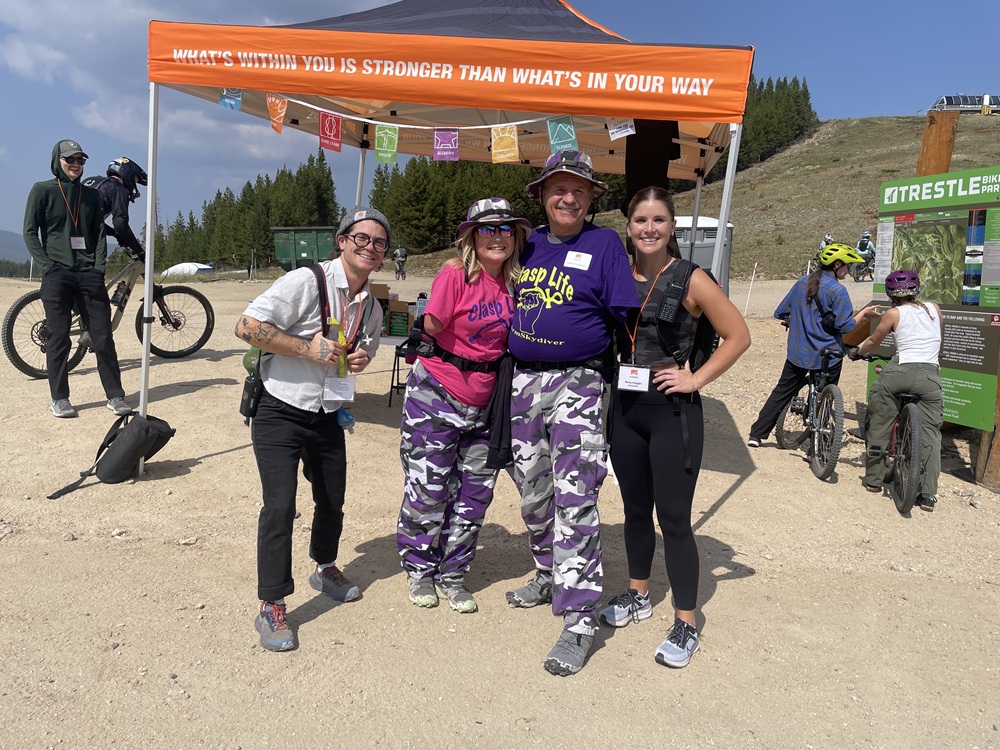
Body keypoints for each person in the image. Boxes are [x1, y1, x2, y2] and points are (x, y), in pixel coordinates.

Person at [601, 186, 751, 668]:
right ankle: (638, 593)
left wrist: (695, 378)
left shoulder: (691, 278)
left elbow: (738, 335)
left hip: (672, 411)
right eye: (640, 220)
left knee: (675, 520)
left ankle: (686, 622)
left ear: (672, 228)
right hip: (624, 409)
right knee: (634, 510)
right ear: (628, 226)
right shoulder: (616, 273)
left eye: (659, 221)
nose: (649, 229)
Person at [505, 150, 639, 676]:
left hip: (579, 381)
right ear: (541, 194)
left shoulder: (604, 243)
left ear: (591, 199)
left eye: (579, 190)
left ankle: (580, 617)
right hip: (522, 379)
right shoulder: (526, 242)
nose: (568, 198)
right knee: (534, 491)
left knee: (576, 494)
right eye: (559, 189)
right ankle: (547, 571)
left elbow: (627, 315)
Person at [235, 206, 388, 652]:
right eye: (361, 238)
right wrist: (306, 347)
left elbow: (363, 352)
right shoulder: (307, 282)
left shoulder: (371, 304)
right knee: (280, 507)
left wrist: (359, 360)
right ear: (341, 241)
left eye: (379, 243)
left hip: (326, 414)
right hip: (279, 409)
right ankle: (272, 604)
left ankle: (324, 568)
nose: (370, 248)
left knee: (332, 499)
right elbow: (245, 326)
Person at [397, 198, 527, 613]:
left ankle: (453, 575)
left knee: (474, 494)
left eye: (504, 229)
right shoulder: (456, 274)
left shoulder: (517, 281)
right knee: (429, 488)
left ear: (515, 236)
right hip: (437, 392)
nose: (496, 236)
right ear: (471, 236)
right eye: (486, 229)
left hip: (487, 402)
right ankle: (420, 570)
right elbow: (432, 326)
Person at [22, 139, 131, 419]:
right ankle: (59, 398)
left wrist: (98, 268)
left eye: (81, 160)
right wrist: (46, 265)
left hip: (89, 275)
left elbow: (96, 235)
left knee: (103, 337)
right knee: (59, 338)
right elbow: (30, 232)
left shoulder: (92, 196)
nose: (76, 165)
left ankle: (116, 396)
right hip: (57, 273)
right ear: (57, 160)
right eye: (70, 159)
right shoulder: (42, 190)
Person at [747, 243, 878, 447]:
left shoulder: (801, 282)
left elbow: (780, 312)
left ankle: (756, 434)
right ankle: (819, 442)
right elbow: (845, 327)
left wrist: (796, 320)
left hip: (798, 352)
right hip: (828, 355)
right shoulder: (838, 291)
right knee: (826, 396)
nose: (849, 270)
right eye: (848, 266)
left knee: (782, 392)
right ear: (837, 265)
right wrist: (865, 314)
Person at [851, 270, 942, 510]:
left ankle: (873, 481)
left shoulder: (893, 313)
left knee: (880, 420)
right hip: (930, 375)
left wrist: (857, 352)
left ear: (891, 294)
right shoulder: (934, 309)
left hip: (901, 370)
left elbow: (873, 341)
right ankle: (927, 494)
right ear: (916, 290)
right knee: (931, 433)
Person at [88, 157, 148, 259]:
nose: (134, 185)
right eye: (135, 179)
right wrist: (140, 252)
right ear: (128, 175)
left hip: (62, 230)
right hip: (80, 239)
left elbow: (90, 221)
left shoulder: (93, 181)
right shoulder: (119, 189)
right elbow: (120, 224)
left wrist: (115, 234)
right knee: (95, 270)